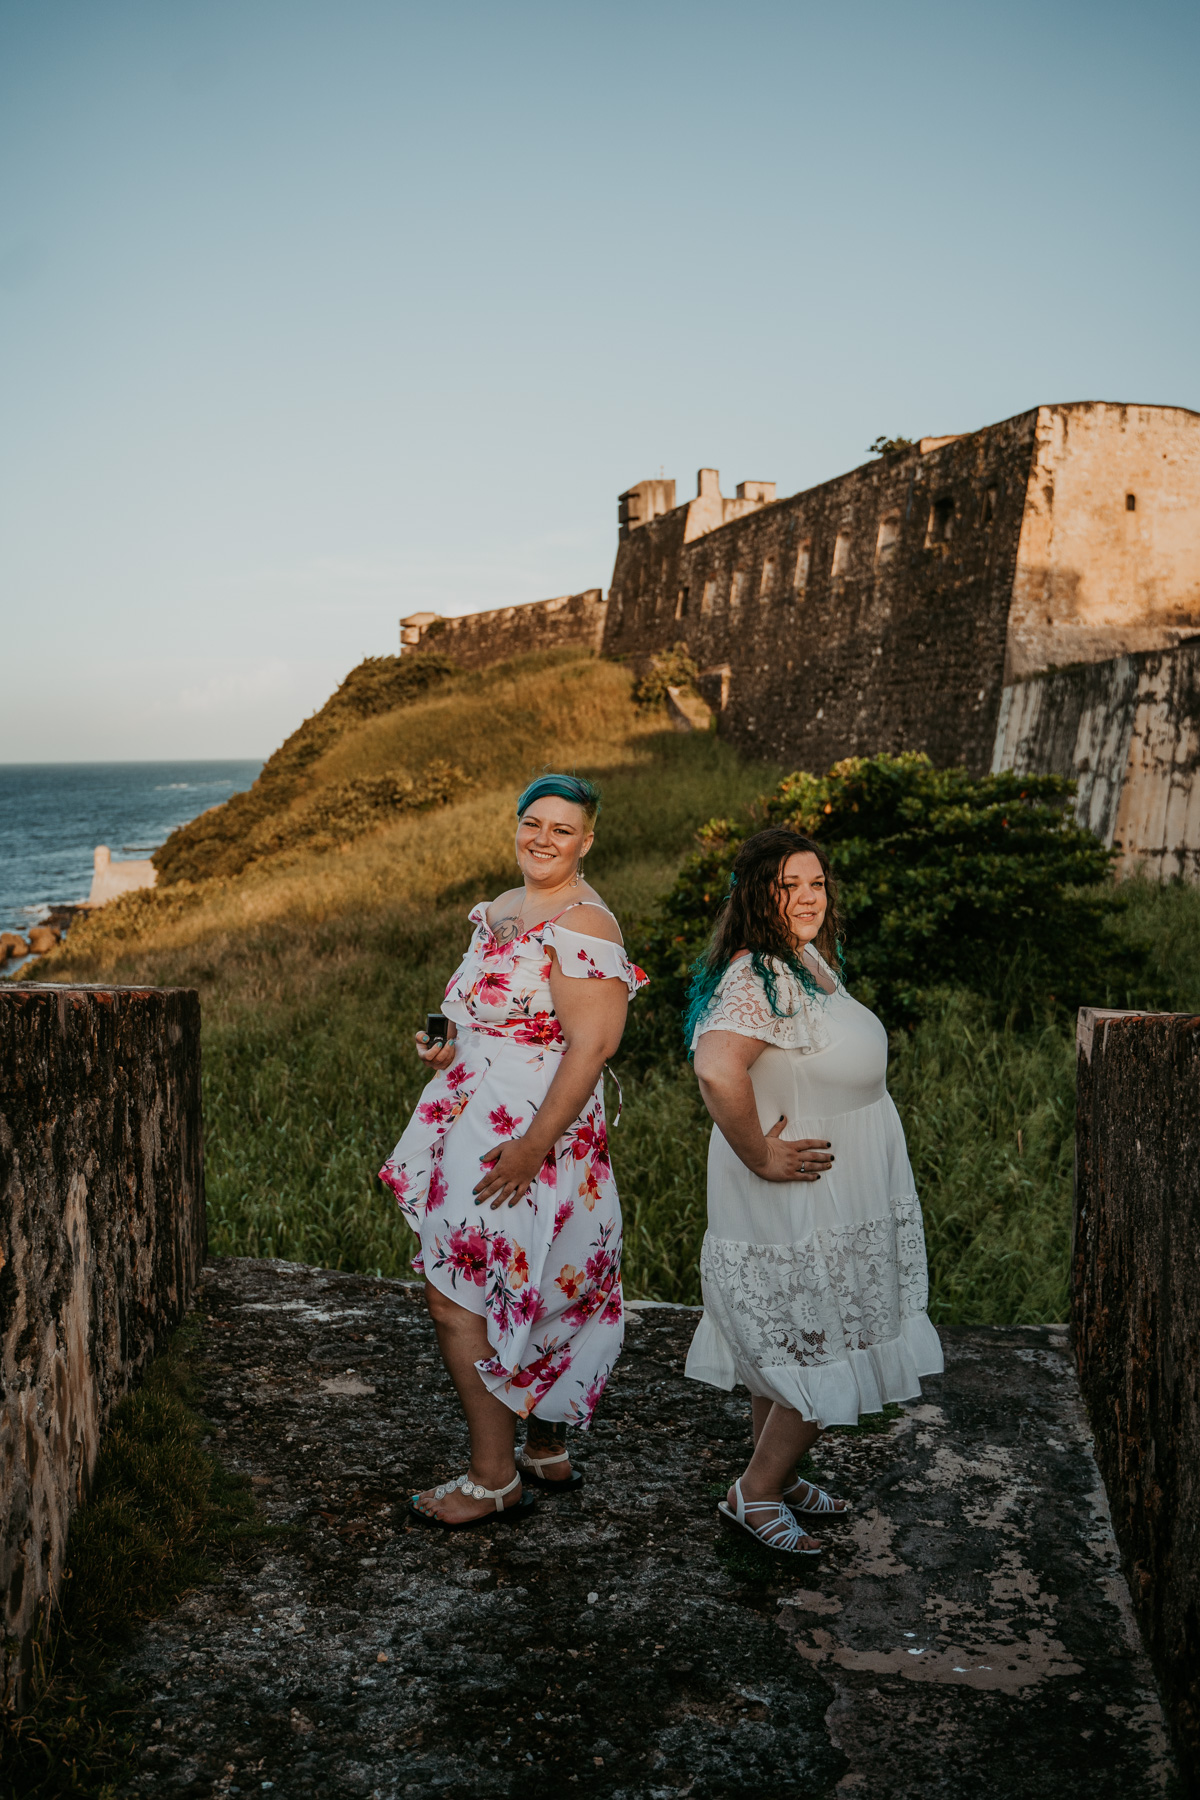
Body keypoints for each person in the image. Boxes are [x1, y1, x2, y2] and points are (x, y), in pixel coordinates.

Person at [379, 773, 647, 1529]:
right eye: (533, 822)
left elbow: (591, 1048)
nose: (543, 838)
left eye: (562, 830)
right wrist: (447, 1048)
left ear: (586, 841)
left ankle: (493, 1477)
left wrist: (533, 1146)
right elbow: (484, 1016)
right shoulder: (498, 910)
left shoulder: (588, 927)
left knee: (465, 1290)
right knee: (544, 1271)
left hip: (534, 1132)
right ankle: (542, 1449)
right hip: (471, 1116)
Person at [684, 827, 943, 1557]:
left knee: (792, 1335)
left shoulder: (802, 961)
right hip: (798, 1187)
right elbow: (716, 1070)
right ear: (755, 894)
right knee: (825, 1335)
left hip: (835, 1182)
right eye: (787, 884)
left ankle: (780, 1472)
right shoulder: (755, 974)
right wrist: (761, 1153)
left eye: (817, 883)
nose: (806, 897)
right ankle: (755, 1492)